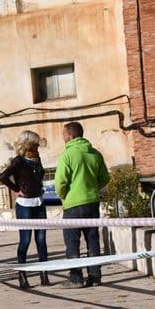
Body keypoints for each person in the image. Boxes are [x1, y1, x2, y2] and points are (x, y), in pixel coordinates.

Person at [54, 121, 110, 288]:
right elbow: (105, 178)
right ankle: (95, 276)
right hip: (92, 202)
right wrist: (92, 188)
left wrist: (64, 196)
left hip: (73, 204)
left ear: (71, 135)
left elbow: (60, 182)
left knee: (72, 241)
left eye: (64, 134)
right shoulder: (95, 153)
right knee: (92, 239)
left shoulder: (67, 155)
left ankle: (76, 278)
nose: (62, 137)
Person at [0, 130, 50, 289]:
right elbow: (3, 177)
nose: (38, 146)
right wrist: (16, 189)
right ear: (29, 144)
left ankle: (44, 273)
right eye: (35, 144)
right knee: (25, 240)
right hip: (25, 205)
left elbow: (39, 176)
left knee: (41, 240)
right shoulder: (18, 161)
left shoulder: (37, 158)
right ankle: (22, 275)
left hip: (39, 202)